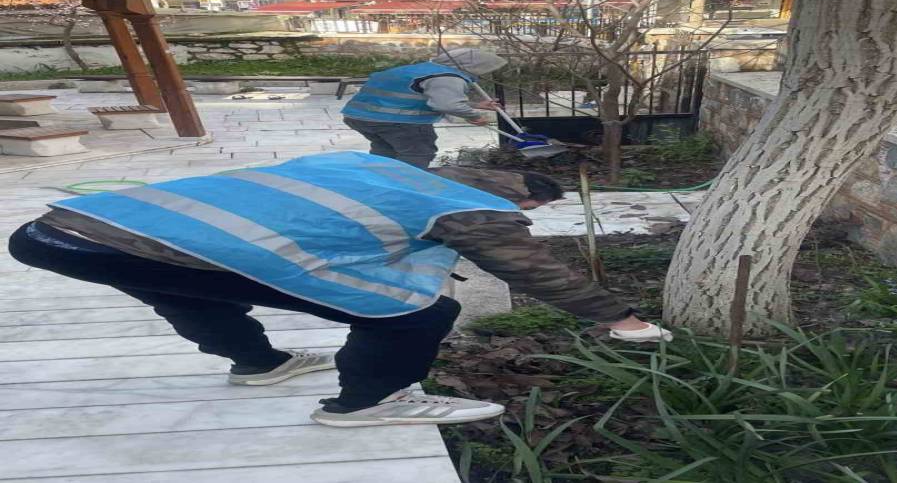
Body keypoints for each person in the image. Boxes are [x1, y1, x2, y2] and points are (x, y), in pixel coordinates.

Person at [8, 152, 671, 428]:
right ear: (523, 199)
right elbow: (531, 269)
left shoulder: (377, 166)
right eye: (530, 211)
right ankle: (367, 402)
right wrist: (621, 317)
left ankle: (258, 364)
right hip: (132, 241)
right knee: (414, 313)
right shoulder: (471, 209)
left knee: (189, 288)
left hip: (59, 231)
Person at [342, 48, 507, 168]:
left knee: (386, 151)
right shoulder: (448, 77)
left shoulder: (422, 70)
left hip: (359, 117)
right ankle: (409, 189)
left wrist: (475, 105)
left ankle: (379, 183)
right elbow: (446, 104)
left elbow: (427, 96)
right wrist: (474, 116)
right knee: (418, 152)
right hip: (398, 121)